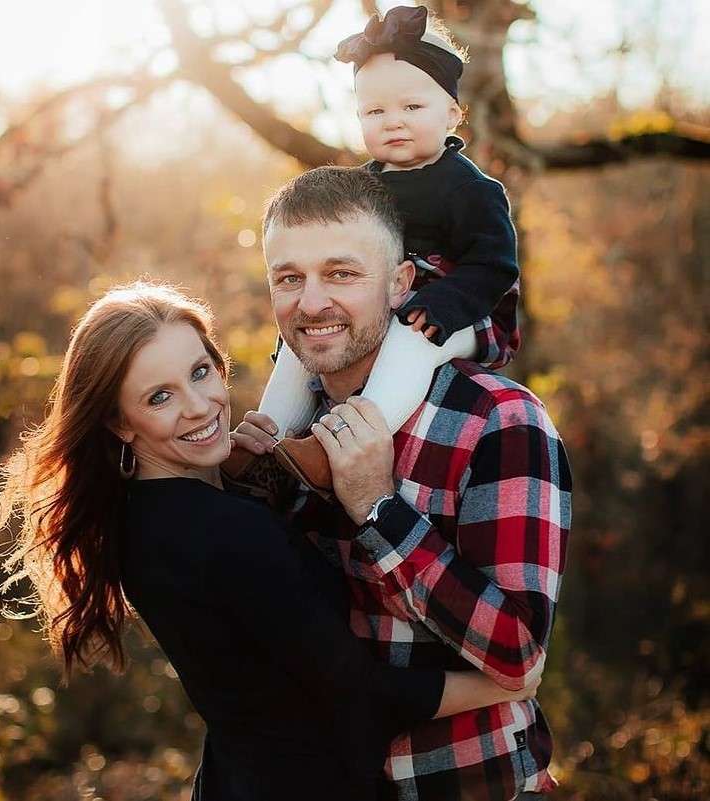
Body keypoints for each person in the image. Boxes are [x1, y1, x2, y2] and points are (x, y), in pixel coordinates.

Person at [0, 282, 541, 801]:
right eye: (158, 397)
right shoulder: (225, 531)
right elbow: (359, 695)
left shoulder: (138, 515)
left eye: (200, 372)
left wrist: (254, 476)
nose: (200, 406)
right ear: (119, 422)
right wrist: (503, 682)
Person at [231, 166, 572, 801]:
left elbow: (518, 654)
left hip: (466, 783)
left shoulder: (498, 420)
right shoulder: (276, 433)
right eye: (289, 278)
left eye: (341, 273)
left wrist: (377, 508)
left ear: (401, 283)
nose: (310, 303)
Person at [255, 5, 520, 493]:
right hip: (388, 297)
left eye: (412, 108)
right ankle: (263, 444)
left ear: (452, 113)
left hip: (462, 312)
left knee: (409, 341)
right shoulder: (362, 186)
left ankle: (342, 446)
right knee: (297, 345)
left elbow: (495, 265)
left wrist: (444, 304)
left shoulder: (471, 190)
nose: (393, 122)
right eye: (375, 111)